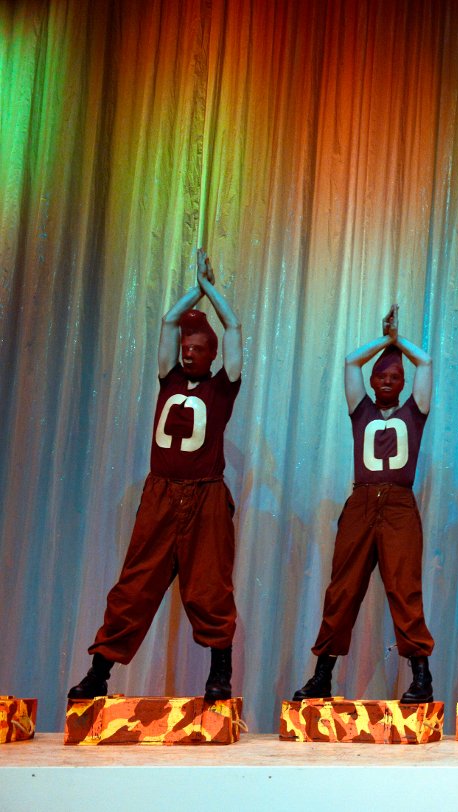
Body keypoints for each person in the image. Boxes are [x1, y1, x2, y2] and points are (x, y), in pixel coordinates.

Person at [68, 248, 243, 702]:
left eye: (198, 349)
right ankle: (99, 672)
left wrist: (211, 291)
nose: (189, 354)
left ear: (211, 355)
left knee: (210, 586)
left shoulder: (222, 388)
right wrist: (194, 290)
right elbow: (168, 321)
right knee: (136, 584)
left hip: (205, 497)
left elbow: (234, 328)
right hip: (161, 495)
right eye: (186, 349)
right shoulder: (169, 379)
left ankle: (219, 675)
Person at [292, 306, 436, 703]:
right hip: (361, 502)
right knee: (342, 589)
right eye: (382, 376)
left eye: (395, 377)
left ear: (404, 383)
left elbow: (425, 362)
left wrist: (397, 341)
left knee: (404, 589)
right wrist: (384, 340)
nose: (388, 381)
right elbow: (350, 361)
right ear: (372, 381)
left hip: (399, 506)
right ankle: (322, 675)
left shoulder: (414, 412)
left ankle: (421, 678)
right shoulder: (362, 410)